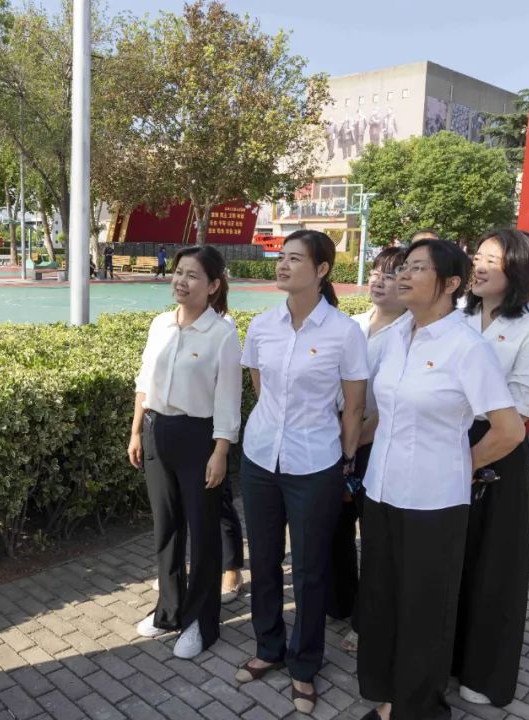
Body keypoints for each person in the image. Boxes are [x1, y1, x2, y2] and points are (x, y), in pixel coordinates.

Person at [356, 240, 523, 720]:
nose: (403, 276)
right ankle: (391, 698)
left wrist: (460, 466)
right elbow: (383, 413)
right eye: (403, 267)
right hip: (381, 491)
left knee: (424, 611)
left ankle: (420, 709)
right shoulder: (395, 337)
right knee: (383, 601)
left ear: (451, 283)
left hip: (434, 503)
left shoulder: (466, 347)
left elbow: (509, 430)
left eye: (418, 268)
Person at [235, 230, 368, 715]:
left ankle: (304, 664)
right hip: (260, 458)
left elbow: (354, 406)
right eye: (282, 257)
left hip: (315, 464)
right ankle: (268, 647)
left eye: (295, 259)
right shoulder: (262, 325)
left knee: (311, 569)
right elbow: (260, 385)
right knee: (265, 559)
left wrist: (346, 459)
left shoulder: (344, 332)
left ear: (322, 270)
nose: (283, 265)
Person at [454, 229, 529, 707]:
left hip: (496, 450)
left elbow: (522, 409)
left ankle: (483, 671)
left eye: (491, 260)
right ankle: (443, 655)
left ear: (516, 270)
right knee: (449, 559)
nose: (478, 267)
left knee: (492, 566)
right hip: (447, 441)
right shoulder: (455, 318)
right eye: (477, 257)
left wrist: (469, 464)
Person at [129, 245, 242, 658]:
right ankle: (168, 611)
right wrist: (136, 431)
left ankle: (200, 623)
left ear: (212, 286)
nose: (181, 280)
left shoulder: (222, 333)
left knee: (203, 532)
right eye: (179, 272)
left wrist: (220, 451)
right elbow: (144, 382)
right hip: (157, 431)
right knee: (167, 528)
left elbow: (228, 399)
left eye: (193, 275)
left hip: (199, 438)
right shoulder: (160, 324)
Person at [327, 246, 408, 654]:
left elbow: (392, 401)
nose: (378, 280)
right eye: (377, 272)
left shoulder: (411, 332)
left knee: (375, 537)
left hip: (378, 445)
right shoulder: (353, 325)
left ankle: (367, 621)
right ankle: (340, 601)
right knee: (335, 527)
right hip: (339, 439)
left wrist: (357, 439)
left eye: (390, 275)